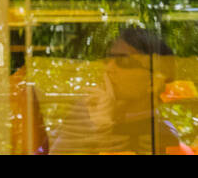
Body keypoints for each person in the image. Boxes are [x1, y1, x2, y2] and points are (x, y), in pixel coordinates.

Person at [49, 28, 191, 155]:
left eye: (124, 62)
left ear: (154, 81)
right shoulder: (86, 113)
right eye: (108, 59)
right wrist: (94, 132)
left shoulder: (162, 136)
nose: (109, 68)